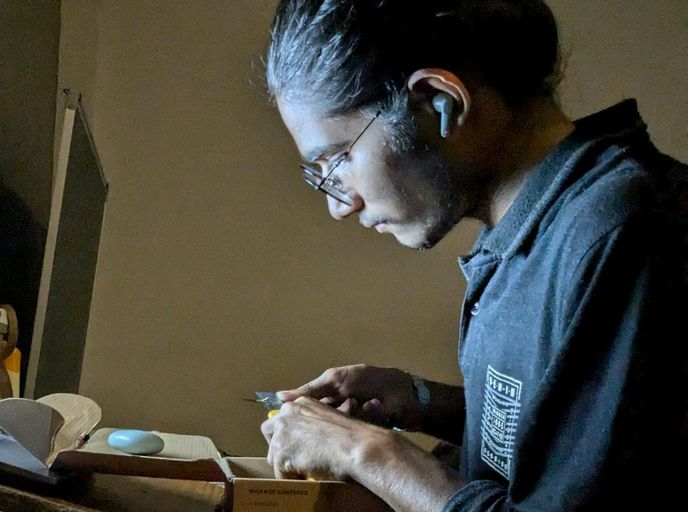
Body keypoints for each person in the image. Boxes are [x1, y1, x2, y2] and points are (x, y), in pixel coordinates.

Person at [259, 1, 688, 511]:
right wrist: (423, 403)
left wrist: (367, 451)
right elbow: (584, 447)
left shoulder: (622, 231)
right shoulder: (535, 231)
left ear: (441, 102)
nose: (339, 205)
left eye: (338, 160)